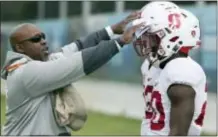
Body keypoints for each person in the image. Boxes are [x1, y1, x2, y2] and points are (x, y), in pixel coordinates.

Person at [1, 11, 144, 135]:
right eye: (36, 39)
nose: (43, 41)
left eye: (43, 36)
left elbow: (79, 47)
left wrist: (112, 29)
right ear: (20, 48)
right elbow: (79, 62)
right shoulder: (25, 73)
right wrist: (120, 41)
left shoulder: (44, 62)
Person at [131, 1, 207, 135]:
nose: (145, 41)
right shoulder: (152, 67)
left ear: (171, 37)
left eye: (151, 36)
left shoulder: (182, 70)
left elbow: (178, 132)